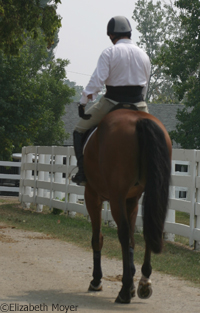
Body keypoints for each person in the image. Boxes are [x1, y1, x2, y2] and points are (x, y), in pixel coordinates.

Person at [72, 16, 151, 186]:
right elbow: (145, 83)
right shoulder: (144, 54)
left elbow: (97, 82)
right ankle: (151, 173)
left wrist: (83, 102)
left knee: (78, 131)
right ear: (129, 33)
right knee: (153, 134)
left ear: (111, 35)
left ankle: (82, 172)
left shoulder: (109, 52)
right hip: (138, 103)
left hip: (112, 101)